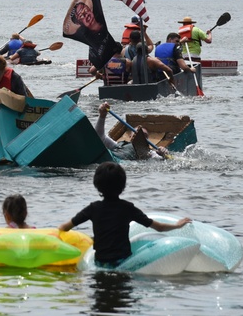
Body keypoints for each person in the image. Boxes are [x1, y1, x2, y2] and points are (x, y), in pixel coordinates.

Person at [58, 162, 192, 267]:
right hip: (123, 262)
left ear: (97, 185)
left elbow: (64, 227)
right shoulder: (127, 208)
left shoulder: (93, 209)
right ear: (123, 185)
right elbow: (159, 228)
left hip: (100, 262)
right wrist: (177, 225)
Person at [93, 102, 163, 160]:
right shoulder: (118, 145)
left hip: (121, 163)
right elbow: (99, 137)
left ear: (147, 140)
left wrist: (164, 154)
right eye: (137, 133)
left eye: (145, 135)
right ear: (130, 137)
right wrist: (102, 116)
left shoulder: (149, 153)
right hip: (111, 157)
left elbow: (160, 159)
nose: (140, 134)